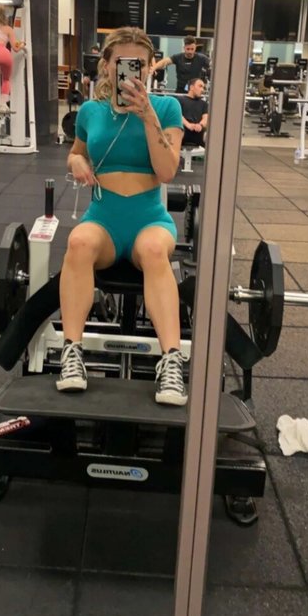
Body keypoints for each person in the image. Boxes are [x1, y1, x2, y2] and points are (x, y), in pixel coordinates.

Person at [58, 26, 188, 406]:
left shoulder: (167, 108)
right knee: (78, 242)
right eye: (122, 63)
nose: (132, 71)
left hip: (149, 217)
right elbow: (76, 152)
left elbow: (167, 171)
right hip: (104, 216)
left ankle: (171, 361)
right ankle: (72, 353)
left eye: (140, 64)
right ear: (107, 65)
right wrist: (76, 161)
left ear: (150, 67)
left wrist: (147, 115)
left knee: (154, 251)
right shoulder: (91, 111)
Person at [180, 78, 208, 147]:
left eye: (203, 87)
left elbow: (205, 118)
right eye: (200, 86)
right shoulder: (180, 100)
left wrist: (200, 125)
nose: (202, 90)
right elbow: (178, 115)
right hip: (182, 137)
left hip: (199, 139)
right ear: (191, 87)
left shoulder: (203, 104)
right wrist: (188, 125)